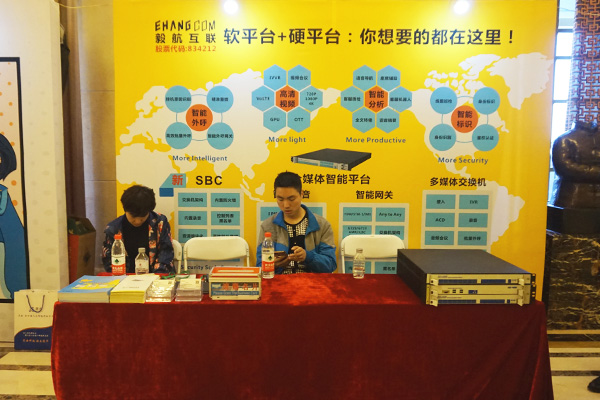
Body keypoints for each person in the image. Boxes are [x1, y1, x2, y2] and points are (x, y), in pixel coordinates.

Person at [256, 171, 336, 274]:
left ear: (301, 194)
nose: (286, 205)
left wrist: (308, 256)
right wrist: (273, 265)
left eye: (291, 199)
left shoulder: (322, 225)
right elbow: (259, 266)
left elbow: (330, 264)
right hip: (279, 280)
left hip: (312, 280)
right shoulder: (268, 226)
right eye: (280, 199)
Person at [102, 185, 174, 273]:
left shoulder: (160, 222)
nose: (137, 221)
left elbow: (166, 253)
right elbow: (109, 261)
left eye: (142, 217)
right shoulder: (113, 228)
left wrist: (156, 277)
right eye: (133, 217)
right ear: (125, 210)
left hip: (155, 276)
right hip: (124, 277)